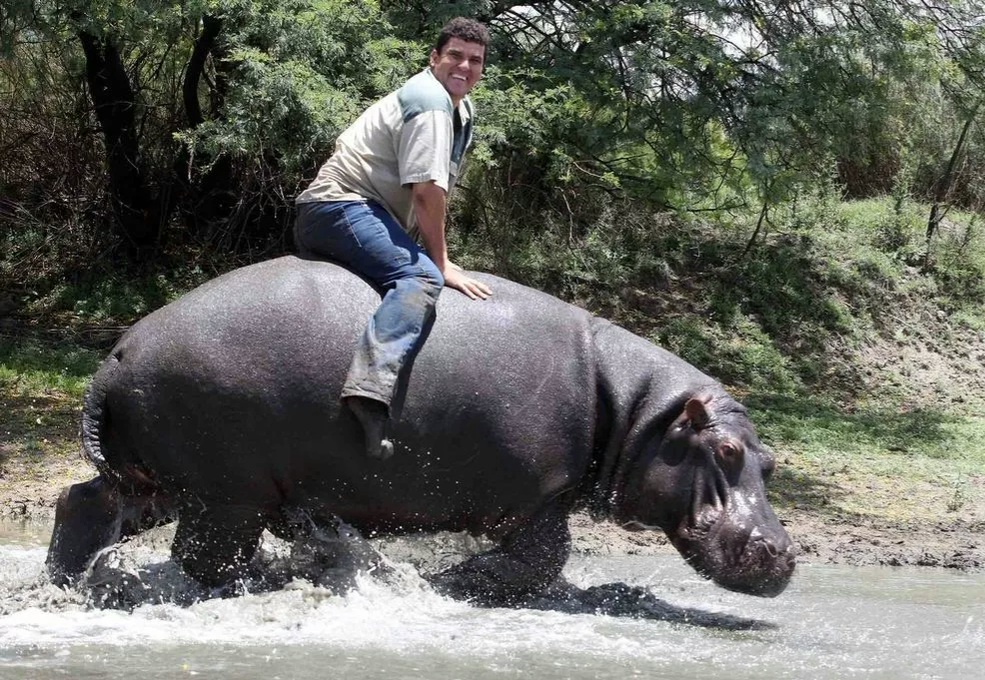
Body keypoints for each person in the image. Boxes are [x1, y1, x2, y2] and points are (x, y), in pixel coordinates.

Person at [294, 17, 493, 459]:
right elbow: (427, 192)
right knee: (421, 279)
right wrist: (440, 262)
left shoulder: (461, 108)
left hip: (359, 212)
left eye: (474, 60)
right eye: (455, 55)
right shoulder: (431, 103)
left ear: (482, 70)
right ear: (434, 58)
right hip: (340, 207)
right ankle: (369, 393)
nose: (464, 65)